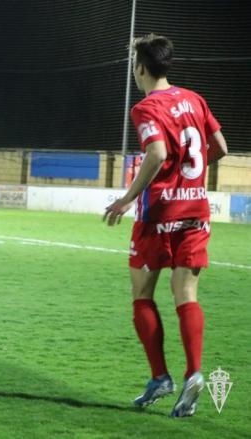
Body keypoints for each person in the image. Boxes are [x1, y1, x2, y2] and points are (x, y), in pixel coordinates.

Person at [104, 34, 228, 417]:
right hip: (195, 211)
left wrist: (126, 198)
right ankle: (193, 374)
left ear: (141, 67)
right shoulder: (195, 99)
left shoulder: (146, 107)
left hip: (157, 216)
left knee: (142, 294)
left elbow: (156, 153)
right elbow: (220, 147)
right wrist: (188, 180)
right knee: (186, 295)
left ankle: (160, 377)